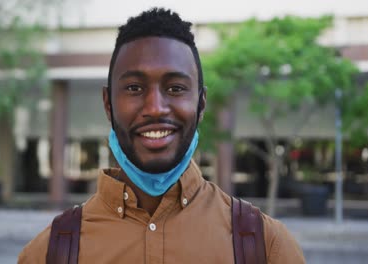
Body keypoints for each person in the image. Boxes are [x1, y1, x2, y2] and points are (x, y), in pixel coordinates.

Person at [18, 8, 305, 263]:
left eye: (176, 88)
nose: (155, 108)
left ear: (201, 104)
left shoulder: (266, 247)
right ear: (108, 104)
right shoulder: (48, 253)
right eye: (134, 88)